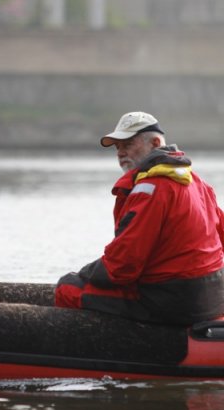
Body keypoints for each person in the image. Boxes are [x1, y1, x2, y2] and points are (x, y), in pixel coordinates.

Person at [55, 111, 224, 325]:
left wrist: (83, 276)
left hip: (170, 303)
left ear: (155, 143)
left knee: (67, 288)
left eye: (127, 144)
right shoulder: (197, 182)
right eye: (117, 147)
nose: (120, 152)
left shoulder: (151, 188)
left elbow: (123, 265)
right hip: (211, 299)